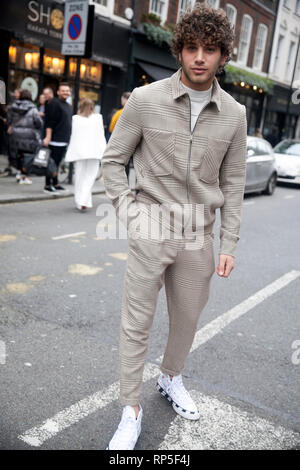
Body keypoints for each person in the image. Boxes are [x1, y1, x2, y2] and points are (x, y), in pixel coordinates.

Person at [101, 2, 247, 451]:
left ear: (223, 55)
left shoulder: (235, 115)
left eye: (209, 49)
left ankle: (170, 377)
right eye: (191, 47)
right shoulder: (145, 101)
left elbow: (234, 181)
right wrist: (131, 214)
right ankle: (130, 410)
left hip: (199, 236)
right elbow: (112, 162)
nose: (199, 57)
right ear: (179, 51)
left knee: (186, 320)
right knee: (136, 323)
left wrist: (229, 241)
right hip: (151, 226)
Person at [64, 97, 107, 211]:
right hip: (94, 152)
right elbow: (101, 136)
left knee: (79, 176)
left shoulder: (75, 119)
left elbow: (73, 137)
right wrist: (104, 151)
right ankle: (83, 200)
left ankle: (80, 201)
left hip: (80, 152)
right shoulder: (98, 118)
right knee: (90, 177)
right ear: (92, 107)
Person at [7, 89, 42, 184]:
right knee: (26, 156)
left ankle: (19, 173)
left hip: (15, 135)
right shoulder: (33, 108)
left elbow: (9, 121)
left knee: (18, 155)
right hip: (28, 136)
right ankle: (23, 176)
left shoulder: (12, 107)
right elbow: (39, 123)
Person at [43, 82, 72, 193]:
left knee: (56, 163)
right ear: (58, 92)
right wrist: (48, 137)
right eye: (63, 90)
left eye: (67, 91)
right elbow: (49, 122)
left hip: (63, 140)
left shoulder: (68, 105)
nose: (66, 92)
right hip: (54, 140)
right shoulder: (54, 103)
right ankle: (47, 185)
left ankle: (55, 183)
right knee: (51, 163)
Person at [109, 91, 132, 180]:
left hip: (119, 142)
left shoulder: (120, 112)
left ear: (125, 99)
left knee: (118, 166)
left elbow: (111, 128)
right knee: (127, 167)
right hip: (131, 143)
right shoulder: (138, 112)